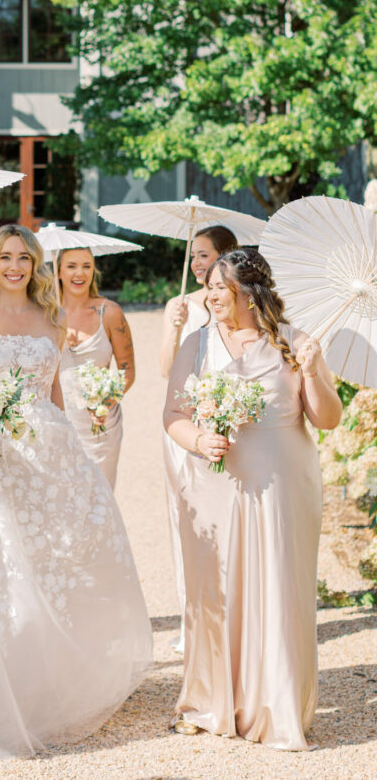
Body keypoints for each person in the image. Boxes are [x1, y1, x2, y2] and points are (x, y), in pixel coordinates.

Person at [0, 223, 152, 762]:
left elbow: (55, 391)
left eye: (23, 258)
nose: (14, 266)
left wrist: (72, 461)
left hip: (50, 451)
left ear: (36, 265)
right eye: (5, 257)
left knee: (56, 565)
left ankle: (46, 682)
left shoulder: (52, 317)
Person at [163, 249, 341, 749]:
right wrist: (199, 441)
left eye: (222, 287)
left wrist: (311, 370)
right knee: (215, 590)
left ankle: (275, 705)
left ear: (250, 291)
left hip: (283, 483)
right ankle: (211, 701)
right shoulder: (197, 345)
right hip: (214, 485)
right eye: (210, 288)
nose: (212, 296)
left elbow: (327, 419)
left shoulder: (295, 342)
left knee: (277, 586)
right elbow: (172, 414)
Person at [157, 225, 238, 652]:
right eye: (193, 257)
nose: (197, 265)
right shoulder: (181, 304)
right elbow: (166, 370)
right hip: (186, 430)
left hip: (229, 431)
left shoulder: (238, 303)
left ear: (227, 257)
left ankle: (231, 617)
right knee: (186, 522)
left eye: (205, 255)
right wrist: (174, 328)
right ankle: (193, 621)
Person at [57, 247, 135, 489]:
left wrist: (105, 403)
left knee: (98, 498)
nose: (80, 273)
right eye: (71, 266)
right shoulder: (45, 314)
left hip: (99, 425)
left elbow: (127, 371)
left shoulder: (110, 313)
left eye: (86, 266)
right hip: (57, 419)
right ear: (58, 271)